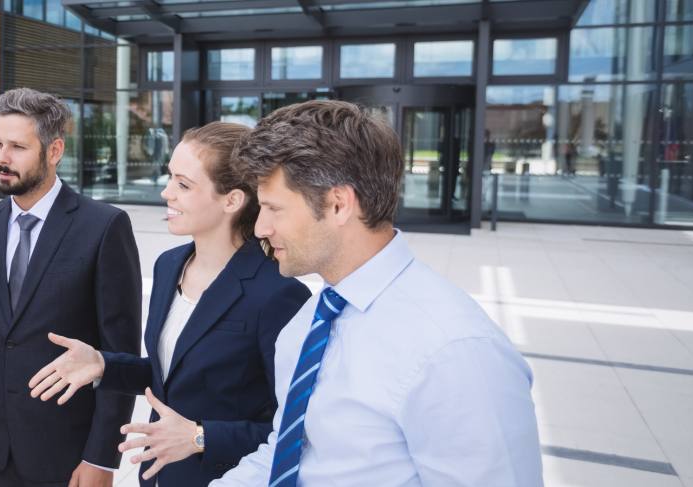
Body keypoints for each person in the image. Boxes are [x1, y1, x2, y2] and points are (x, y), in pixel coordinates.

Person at [210, 100, 541, 486]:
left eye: (273, 208)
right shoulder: (308, 320)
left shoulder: (455, 349)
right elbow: (288, 455)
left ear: (338, 204)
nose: (261, 228)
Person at [28, 122, 310, 486]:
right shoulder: (168, 265)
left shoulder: (279, 293)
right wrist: (103, 364)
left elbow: (293, 432)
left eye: (183, 184)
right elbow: (173, 376)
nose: (166, 193)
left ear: (232, 200)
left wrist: (199, 436)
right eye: (170, 178)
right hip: (158, 476)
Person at [0, 88, 141, 487]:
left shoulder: (104, 227)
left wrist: (102, 459)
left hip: (68, 456)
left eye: (18, 147)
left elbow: (120, 350)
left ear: (54, 151)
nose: (2, 158)